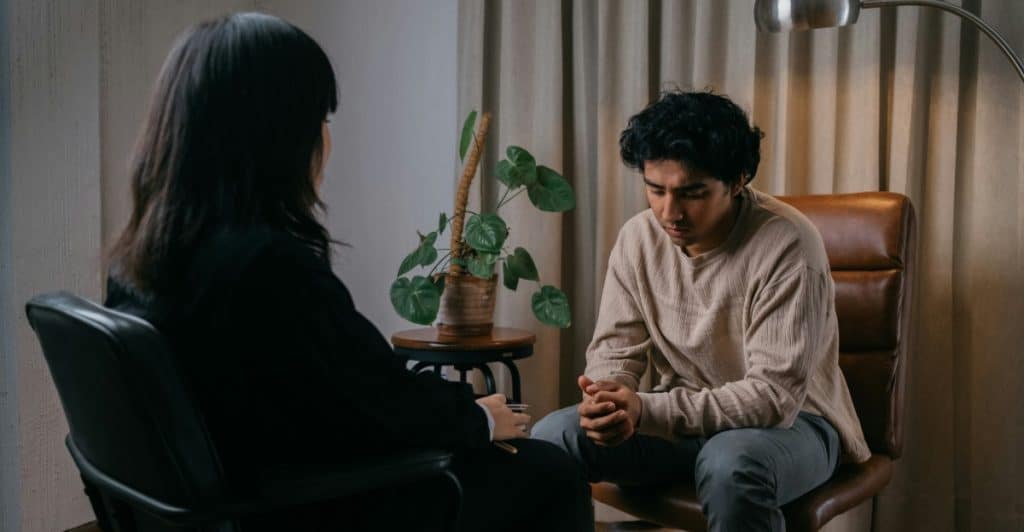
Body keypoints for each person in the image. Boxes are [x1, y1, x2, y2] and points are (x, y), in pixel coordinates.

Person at [104, 12, 592, 531]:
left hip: (234, 496)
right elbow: (373, 405)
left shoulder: (139, 264)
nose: (326, 140)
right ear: (278, 136)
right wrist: (477, 418)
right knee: (550, 473)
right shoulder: (268, 268)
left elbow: (335, 394)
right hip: (307, 503)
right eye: (321, 119)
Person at [532, 90, 870, 531]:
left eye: (691, 193)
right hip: (684, 423)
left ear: (737, 181)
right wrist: (608, 400)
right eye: (656, 190)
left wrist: (647, 412)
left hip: (795, 425)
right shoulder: (638, 239)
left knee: (730, 463)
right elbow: (615, 349)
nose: (669, 212)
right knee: (552, 439)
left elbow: (773, 397)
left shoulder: (786, 243)